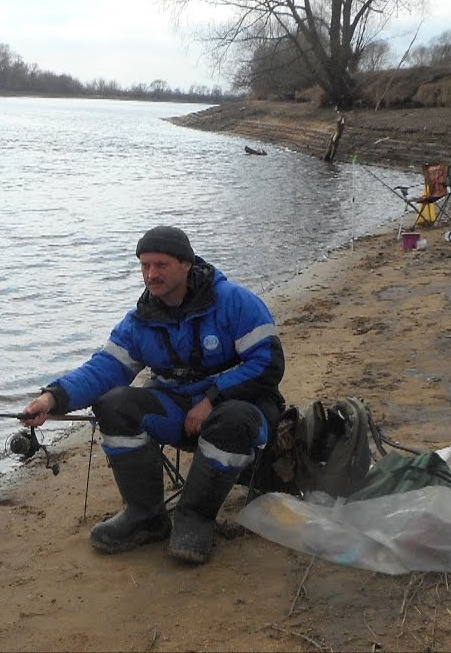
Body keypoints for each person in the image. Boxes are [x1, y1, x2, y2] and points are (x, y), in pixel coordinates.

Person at [22, 225, 285, 565]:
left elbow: (269, 363)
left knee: (233, 419)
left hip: (243, 412)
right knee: (113, 404)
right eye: (145, 265)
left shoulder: (235, 302)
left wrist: (212, 399)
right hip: (178, 413)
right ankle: (145, 516)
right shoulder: (140, 320)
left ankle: (195, 518)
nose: (151, 274)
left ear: (186, 265)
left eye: (161, 265)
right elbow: (103, 369)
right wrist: (51, 399)